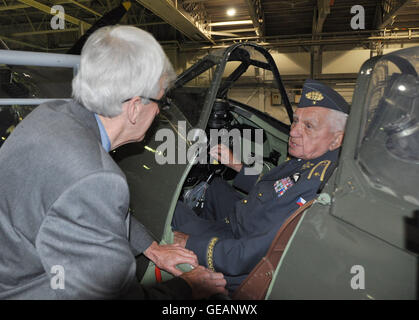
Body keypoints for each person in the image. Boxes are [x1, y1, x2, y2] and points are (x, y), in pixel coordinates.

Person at [0, 25, 227, 299]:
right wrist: (189, 286)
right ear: (133, 108)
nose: (160, 112)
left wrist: (151, 248)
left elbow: (82, 208)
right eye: (161, 102)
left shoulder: (50, 115)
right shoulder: (97, 178)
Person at [172, 79, 349, 292]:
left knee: (174, 213)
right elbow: (277, 187)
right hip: (249, 218)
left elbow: (243, 256)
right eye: (295, 121)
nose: (293, 132)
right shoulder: (314, 160)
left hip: (239, 248)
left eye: (308, 126)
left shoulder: (316, 184)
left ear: (336, 139)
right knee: (215, 186)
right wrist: (238, 165)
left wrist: (188, 243)